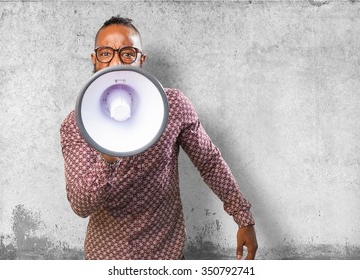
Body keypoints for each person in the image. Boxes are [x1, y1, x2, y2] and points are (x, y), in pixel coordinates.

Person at [60, 16, 258, 260]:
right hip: (106, 258)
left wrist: (243, 218)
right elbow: (80, 205)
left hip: (166, 256)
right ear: (94, 60)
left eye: (127, 53)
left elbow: (209, 162)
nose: (115, 62)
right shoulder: (77, 124)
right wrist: (107, 156)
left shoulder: (172, 106)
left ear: (141, 59)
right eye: (105, 53)